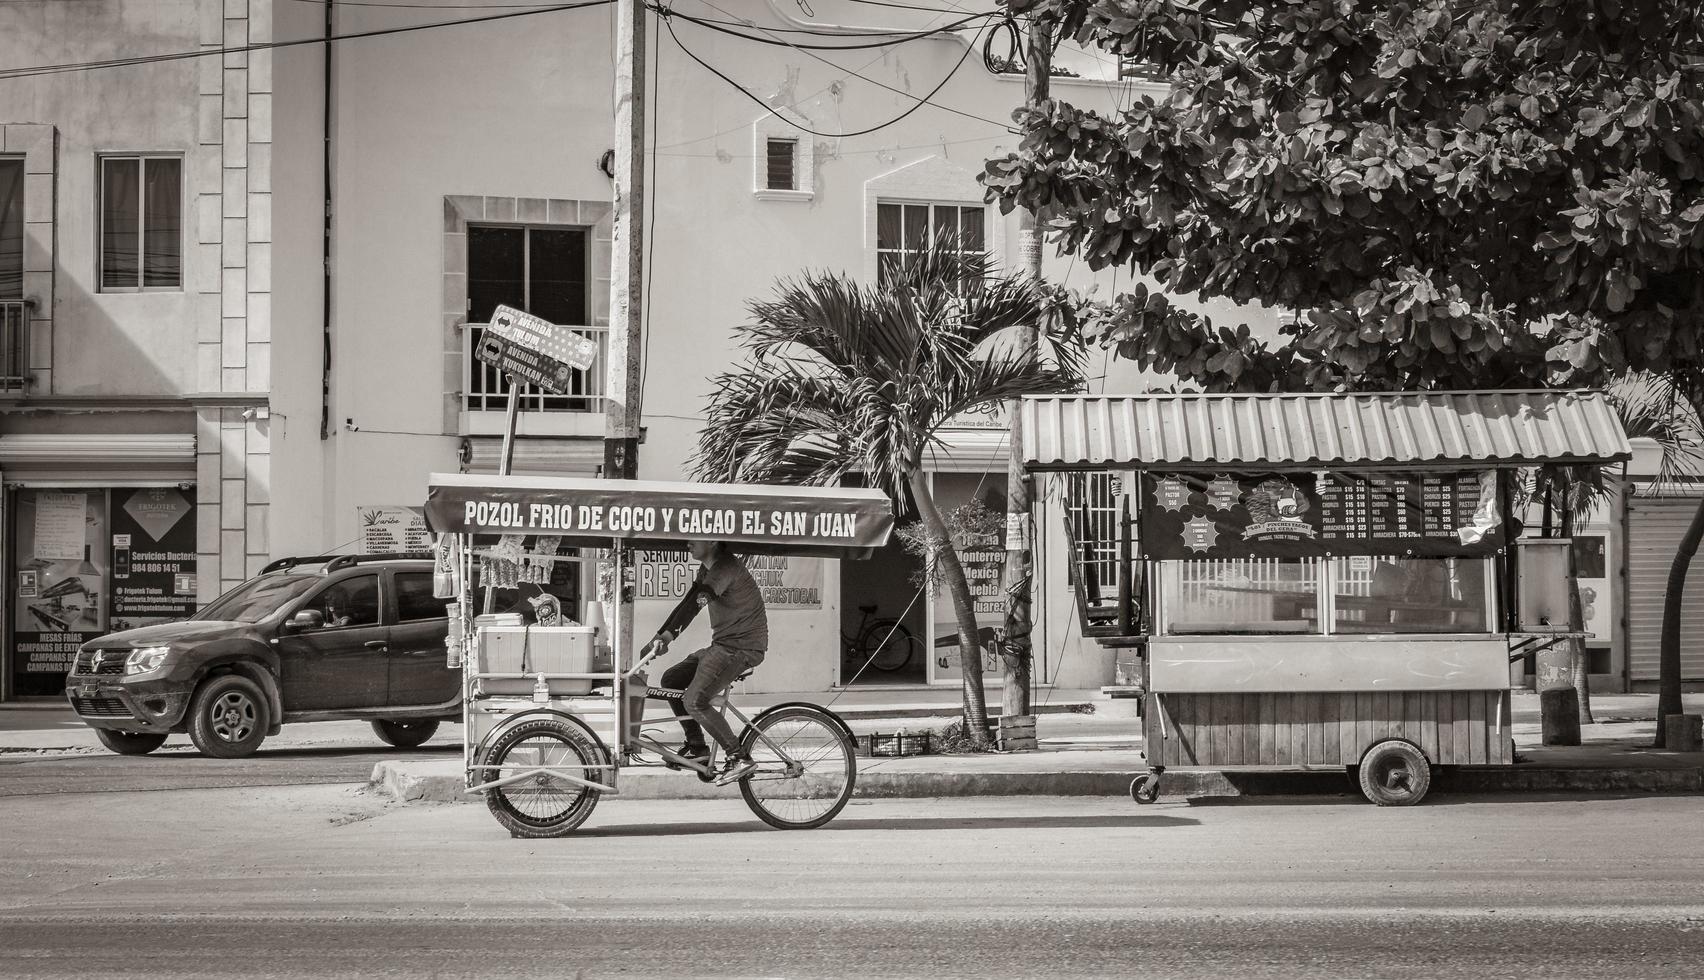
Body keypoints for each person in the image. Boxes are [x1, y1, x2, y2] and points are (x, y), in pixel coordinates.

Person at [644, 540, 768, 785]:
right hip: (722, 646)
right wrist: (661, 636)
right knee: (672, 680)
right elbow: (688, 602)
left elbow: (697, 604)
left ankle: (739, 756)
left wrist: (668, 637)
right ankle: (697, 748)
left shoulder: (726, 567)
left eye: (694, 536)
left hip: (739, 648)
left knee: (694, 700)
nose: (687, 542)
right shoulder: (707, 569)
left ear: (712, 540)